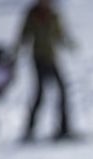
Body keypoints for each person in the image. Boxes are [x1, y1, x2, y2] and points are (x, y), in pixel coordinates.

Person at [11, 0, 75, 141]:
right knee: (40, 94)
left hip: (52, 58)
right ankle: (29, 130)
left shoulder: (53, 15)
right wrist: (15, 53)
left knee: (62, 91)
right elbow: (23, 36)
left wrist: (69, 43)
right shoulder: (32, 15)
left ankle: (64, 129)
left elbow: (59, 34)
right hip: (38, 59)